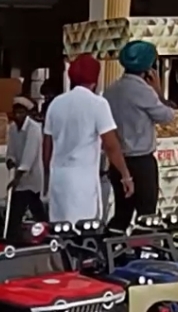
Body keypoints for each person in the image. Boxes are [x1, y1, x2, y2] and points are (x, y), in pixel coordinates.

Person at [44, 55, 133, 227]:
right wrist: (125, 175)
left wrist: (47, 177)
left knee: (60, 229)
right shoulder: (97, 104)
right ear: (95, 79)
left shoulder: (56, 104)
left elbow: (47, 146)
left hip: (59, 177)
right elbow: (111, 145)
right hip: (82, 179)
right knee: (84, 229)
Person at [102, 40, 176, 232]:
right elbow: (167, 116)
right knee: (146, 214)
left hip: (119, 161)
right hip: (141, 161)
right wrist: (158, 91)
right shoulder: (143, 91)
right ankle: (142, 252)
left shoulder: (110, 90)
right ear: (148, 68)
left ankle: (113, 250)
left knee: (122, 213)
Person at [5, 97, 46, 236]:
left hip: (31, 176)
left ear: (27, 113)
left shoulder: (34, 129)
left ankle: (14, 235)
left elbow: (29, 155)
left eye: (21, 112)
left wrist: (17, 178)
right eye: (16, 112)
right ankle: (14, 235)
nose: (18, 116)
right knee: (29, 208)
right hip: (19, 177)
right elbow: (11, 150)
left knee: (25, 205)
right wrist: (10, 160)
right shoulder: (11, 128)